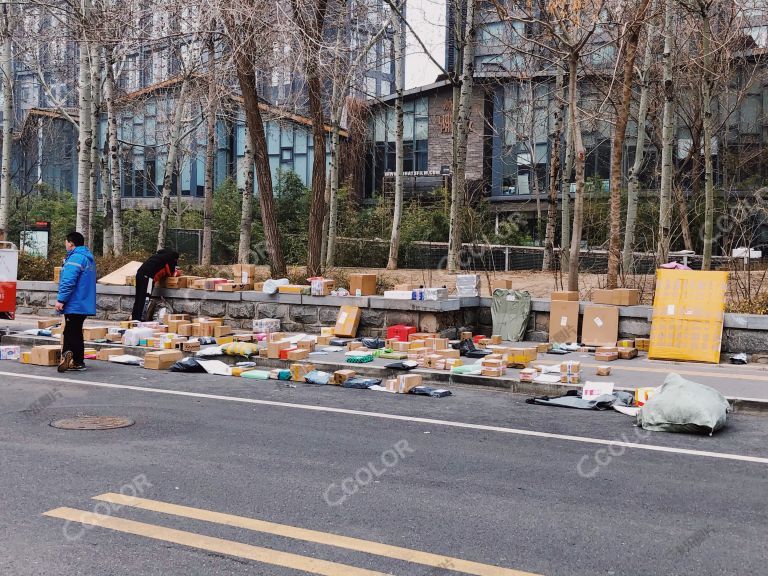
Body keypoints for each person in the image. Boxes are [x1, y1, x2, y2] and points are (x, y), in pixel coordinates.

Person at [55, 231, 96, 372]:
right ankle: (70, 357)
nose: (65, 245)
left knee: (71, 332)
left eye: (66, 242)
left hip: (75, 302)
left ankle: (73, 357)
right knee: (74, 330)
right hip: (85, 301)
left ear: (71, 243)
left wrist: (61, 300)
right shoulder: (87, 258)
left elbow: (68, 281)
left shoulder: (75, 258)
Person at [132, 248, 180, 321]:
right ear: (175, 259)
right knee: (145, 298)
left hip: (139, 275)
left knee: (139, 297)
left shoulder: (158, 256)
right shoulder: (169, 259)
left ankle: (135, 318)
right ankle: (140, 320)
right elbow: (171, 273)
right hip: (148, 277)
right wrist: (177, 272)